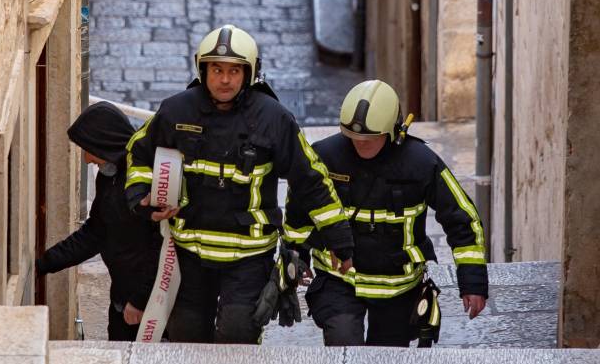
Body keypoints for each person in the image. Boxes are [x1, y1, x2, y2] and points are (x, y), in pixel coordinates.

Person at [125, 24, 353, 343]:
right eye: (216, 69)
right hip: (189, 254)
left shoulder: (274, 119)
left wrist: (340, 240)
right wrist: (141, 195)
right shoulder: (176, 110)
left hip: (249, 257)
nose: (225, 79)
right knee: (186, 338)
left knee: (237, 335)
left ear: (250, 73)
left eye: (234, 71)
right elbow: (139, 151)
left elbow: (312, 180)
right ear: (202, 69)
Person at [284, 79, 488, 347]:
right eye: (354, 137)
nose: (360, 144)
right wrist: (295, 256)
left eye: (369, 139)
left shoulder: (422, 164)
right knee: (343, 342)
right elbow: (299, 209)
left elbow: (461, 218)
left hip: (398, 288)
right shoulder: (325, 156)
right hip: (339, 280)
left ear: (394, 131)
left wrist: (472, 282)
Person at [36, 101, 160, 341]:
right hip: (122, 299)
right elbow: (96, 232)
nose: (86, 159)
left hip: (149, 307)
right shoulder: (108, 178)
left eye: (88, 149)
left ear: (105, 144)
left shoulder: (143, 182)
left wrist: (140, 301)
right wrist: (45, 263)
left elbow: (161, 247)